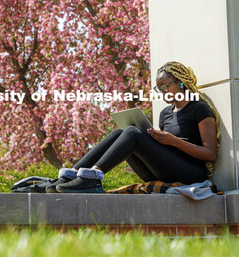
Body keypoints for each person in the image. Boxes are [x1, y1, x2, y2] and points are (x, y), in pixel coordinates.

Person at [46, 61, 220, 193]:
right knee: (120, 132)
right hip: (165, 171)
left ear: (181, 83)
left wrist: (174, 141)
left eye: (166, 86)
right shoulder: (165, 113)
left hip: (192, 173)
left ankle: (93, 178)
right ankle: (73, 173)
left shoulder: (199, 108)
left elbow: (210, 153)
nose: (163, 92)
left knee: (132, 133)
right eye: (159, 89)